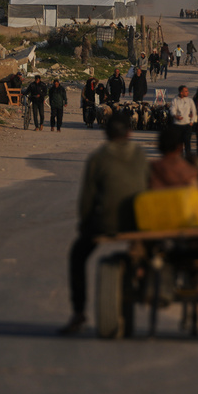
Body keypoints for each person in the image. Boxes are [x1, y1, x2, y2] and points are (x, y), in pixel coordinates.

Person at [58, 117, 148, 335]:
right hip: (139, 220)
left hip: (107, 221)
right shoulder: (140, 155)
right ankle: (143, 273)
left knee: (78, 255)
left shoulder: (97, 158)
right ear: (129, 133)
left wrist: (84, 222)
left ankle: (79, 312)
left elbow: (87, 198)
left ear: (106, 134)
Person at [170, 85, 198, 159]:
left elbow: (194, 111)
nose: (187, 92)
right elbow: (172, 110)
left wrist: (192, 122)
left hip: (187, 125)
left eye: (187, 91)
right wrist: (176, 116)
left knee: (187, 142)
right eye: (186, 91)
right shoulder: (175, 100)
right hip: (177, 125)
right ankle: (180, 159)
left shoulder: (189, 100)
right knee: (179, 143)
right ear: (181, 92)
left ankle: (188, 158)